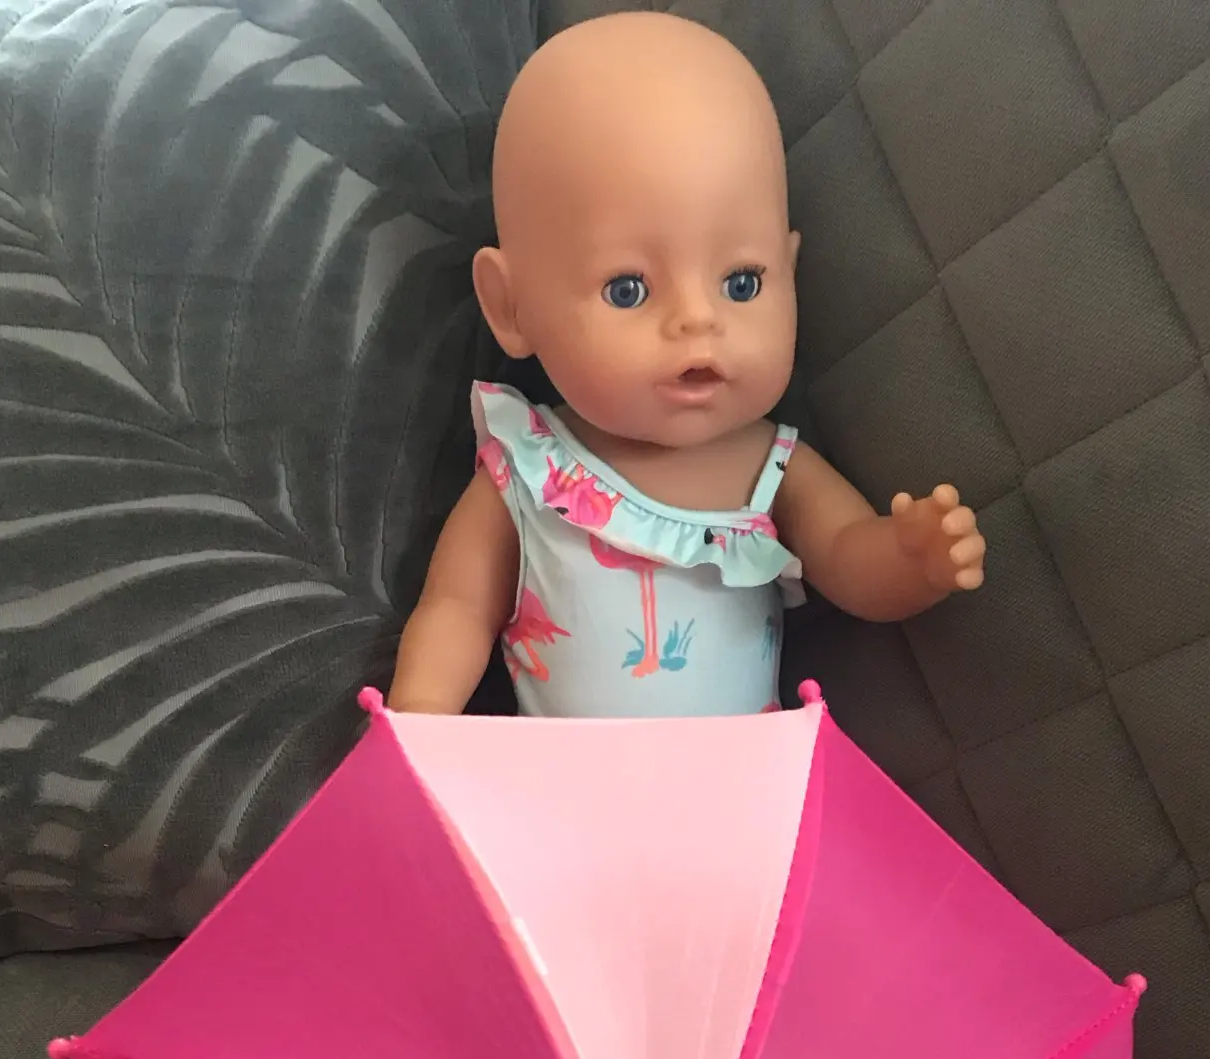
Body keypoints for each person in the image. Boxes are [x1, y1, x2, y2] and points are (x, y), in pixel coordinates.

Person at [390, 11, 985, 719]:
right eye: (628, 289)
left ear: (790, 272)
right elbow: (456, 609)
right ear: (511, 306)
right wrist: (419, 718)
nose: (698, 321)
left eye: (742, 283)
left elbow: (849, 560)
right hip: (564, 783)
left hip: (744, 780)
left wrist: (910, 562)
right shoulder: (525, 472)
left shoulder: (773, 466)